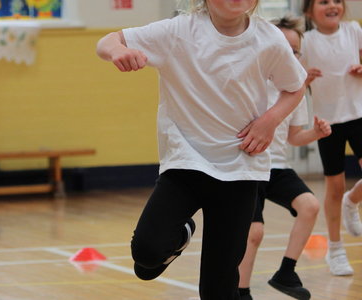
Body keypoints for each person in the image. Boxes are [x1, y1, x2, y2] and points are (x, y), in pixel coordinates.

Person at [96, 0, 306, 298]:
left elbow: (295, 86)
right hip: (186, 164)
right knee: (146, 253)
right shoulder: (178, 31)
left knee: (218, 285)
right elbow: (108, 41)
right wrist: (118, 50)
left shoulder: (268, 38)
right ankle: (182, 234)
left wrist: (269, 121)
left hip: (241, 170)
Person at [237, 15, 331, 300]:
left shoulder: (295, 90)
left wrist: (315, 133)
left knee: (310, 206)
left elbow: (293, 137)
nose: (288, 56)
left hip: (277, 168)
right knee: (254, 234)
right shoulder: (249, 82)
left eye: (295, 52)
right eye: (282, 48)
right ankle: (241, 291)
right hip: (247, 168)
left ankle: (286, 273)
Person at [301, 0, 362, 276]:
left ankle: (353, 201)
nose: (332, 6)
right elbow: (293, 79)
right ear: (309, 11)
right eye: (323, 2)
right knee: (334, 187)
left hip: (358, 114)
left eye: (337, 0)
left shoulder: (353, 30)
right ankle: (335, 250)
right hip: (327, 122)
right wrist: (305, 78)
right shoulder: (306, 41)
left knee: (345, 193)